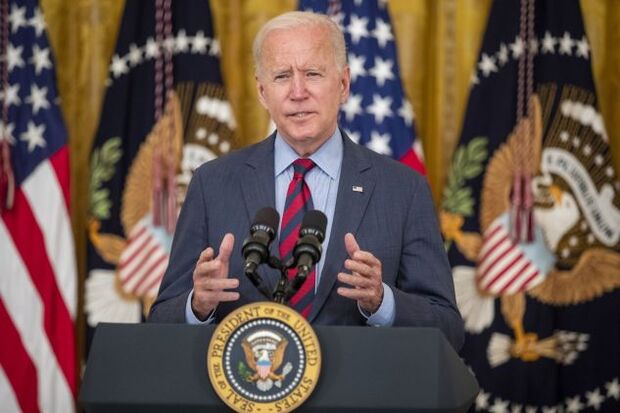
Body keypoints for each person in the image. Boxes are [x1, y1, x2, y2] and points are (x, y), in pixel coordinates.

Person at [148, 11, 464, 351]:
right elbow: (161, 320)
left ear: (343, 85)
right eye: (282, 76)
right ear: (262, 92)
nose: (298, 92)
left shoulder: (403, 189)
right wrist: (198, 304)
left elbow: (449, 329)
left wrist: (382, 302)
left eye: (312, 73)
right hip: (250, 393)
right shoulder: (212, 183)